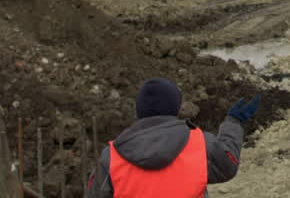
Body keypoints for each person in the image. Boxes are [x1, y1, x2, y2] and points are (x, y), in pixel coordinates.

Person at [88, 78, 260, 198]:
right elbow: (227, 165)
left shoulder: (111, 157)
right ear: (175, 109)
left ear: (138, 111)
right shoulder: (199, 143)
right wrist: (233, 122)